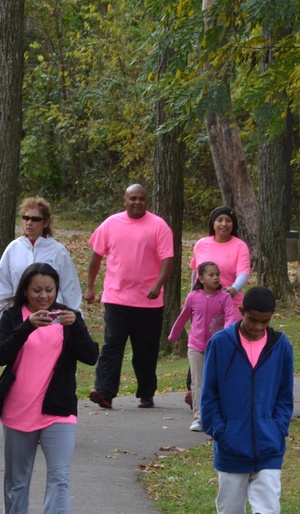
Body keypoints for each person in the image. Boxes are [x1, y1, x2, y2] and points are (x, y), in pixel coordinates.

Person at [0, 263, 99, 514]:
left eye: (49, 290)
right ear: (25, 290)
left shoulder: (67, 317)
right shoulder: (13, 317)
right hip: (19, 410)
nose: (43, 296)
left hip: (58, 411)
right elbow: (1, 356)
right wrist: (27, 327)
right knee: (17, 482)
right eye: (36, 290)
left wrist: (76, 326)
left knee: (59, 479)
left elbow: (91, 356)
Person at [201, 287, 294, 514]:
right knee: (229, 512)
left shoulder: (280, 346)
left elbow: (285, 395)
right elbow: (209, 394)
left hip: (268, 446)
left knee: (269, 509)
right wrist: (220, 431)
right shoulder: (220, 344)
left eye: (265, 322)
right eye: (253, 320)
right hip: (231, 446)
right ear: (242, 313)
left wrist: (278, 428)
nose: (258, 327)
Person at [86, 184, 174, 409]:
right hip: (116, 298)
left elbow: (167, 260)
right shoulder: (110, 224)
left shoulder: (159, 226)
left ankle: (146, 393)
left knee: (145, 350)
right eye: (133, 198)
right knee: (112, 344)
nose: (137, 202)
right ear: (124, 200)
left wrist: (158, 285)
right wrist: (90, 287)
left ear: (147, 201)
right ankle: (104, 392)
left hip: (148, 301)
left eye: (141, 199)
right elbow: (96, 257)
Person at [0, 197, 82, 338]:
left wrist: (76, 319)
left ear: (45, 222)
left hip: (51, 319)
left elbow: (70, 288)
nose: (29, 223)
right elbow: (2, 285)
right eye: (25, 218)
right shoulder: (14, 248)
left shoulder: (58, 251)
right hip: (20, 316)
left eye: (35, 219)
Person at [168, 262, 237, 432]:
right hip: (196, 346)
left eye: (217, 274)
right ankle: (199, 418)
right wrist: (173, 335)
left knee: (216, 381)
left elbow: (230, 317)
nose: (215, 278)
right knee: (197, 382)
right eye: (211, 275)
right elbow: (184, 317)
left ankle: (218, 414)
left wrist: (226, 335)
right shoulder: (193, 297)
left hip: (217, 347)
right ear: (201, 278)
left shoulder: (224, 297)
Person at [190, 206, 251, 316]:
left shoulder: (240, 246)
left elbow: (243, 274)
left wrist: (234, 289)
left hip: (230, 306)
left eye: (228, 220)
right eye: (219, 220)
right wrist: (192, 295)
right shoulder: (201, 244)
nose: (224, 224)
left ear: (233, 224)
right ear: (213, 224)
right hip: (202, 306)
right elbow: (196, 271)